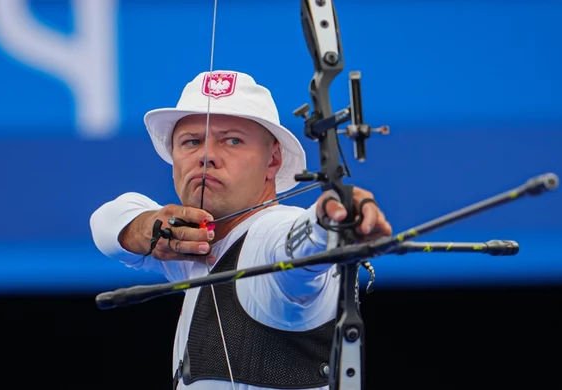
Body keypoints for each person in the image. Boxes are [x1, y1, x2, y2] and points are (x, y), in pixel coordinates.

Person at [89, 70, 393, 390]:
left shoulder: (268, 235)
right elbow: (105, 221)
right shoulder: (188, 245)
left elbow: (296, 242)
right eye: (191, 141)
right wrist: (143, 229)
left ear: (273, 159)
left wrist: (332, 221)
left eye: (232, 140)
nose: (206, 155)